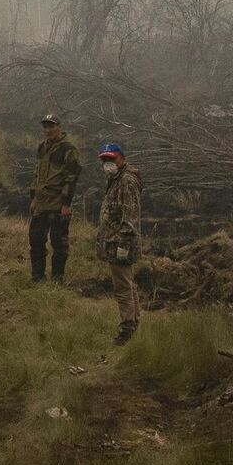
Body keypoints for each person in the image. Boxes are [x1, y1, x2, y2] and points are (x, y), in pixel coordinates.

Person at [95, 143, 142, 344]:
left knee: (122, 288)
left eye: (112, 159)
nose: (108, 163)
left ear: (122, 158)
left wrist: (124, 244)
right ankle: (133, 324)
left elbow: (130, 215)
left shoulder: (126, 182)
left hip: (121, 243)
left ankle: (127, 330)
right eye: (105, 160)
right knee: (127, 285)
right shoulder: (114, 180)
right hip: (113, 241)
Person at [27, 113, 80, 282]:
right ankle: (38, 277)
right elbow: (37, 174)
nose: (48, 130)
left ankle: (58, 278)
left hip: (58, 203)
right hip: (41, 203)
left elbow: (71, 178)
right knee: (36, 241)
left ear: (59, 127)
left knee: (59, 243)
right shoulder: (42, 147)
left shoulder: (68, 149)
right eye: (45, 127)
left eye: (52, 126)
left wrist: (66, 203)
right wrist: (34, 198)